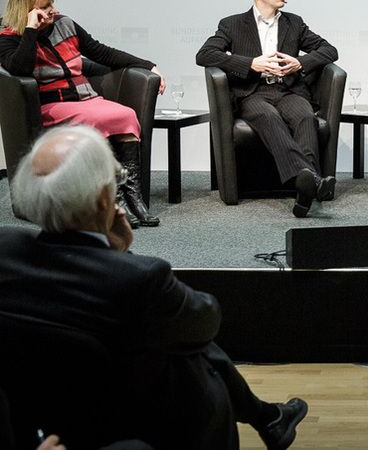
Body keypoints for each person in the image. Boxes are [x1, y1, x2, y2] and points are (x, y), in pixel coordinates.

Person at [0, 124, 308, 450]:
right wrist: (120, 254)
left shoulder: (5, 249)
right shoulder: (141, 278)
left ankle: (268, 417)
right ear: (103, 200)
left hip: (42, 417)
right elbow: (206, 320)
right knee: (180, 346)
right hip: (135, 423)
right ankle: (265, 417)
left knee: (165, 329)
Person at [0, 0, 164, 228]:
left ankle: (134, 198)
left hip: (88, 99)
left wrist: (148, 65)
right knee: (97, 119)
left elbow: (102, 52)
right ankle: (114, 201)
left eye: (52, 3)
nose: (52, 10)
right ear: (27, 10)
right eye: (45, 7)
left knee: (126, 115)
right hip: (50, 106)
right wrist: (31, 31)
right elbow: (20, 68)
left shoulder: (65, 24)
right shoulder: (8, 37)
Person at [197, 0, 338, 218]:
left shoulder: (294, 23)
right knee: (268, 117)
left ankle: (306, 188)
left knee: (306, 116)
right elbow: (205, 55)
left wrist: (300, 63)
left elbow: (329, 50)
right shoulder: (232, 24)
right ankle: (311, 180)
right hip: (253, 93)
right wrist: (250, 63)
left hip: (288, 90)